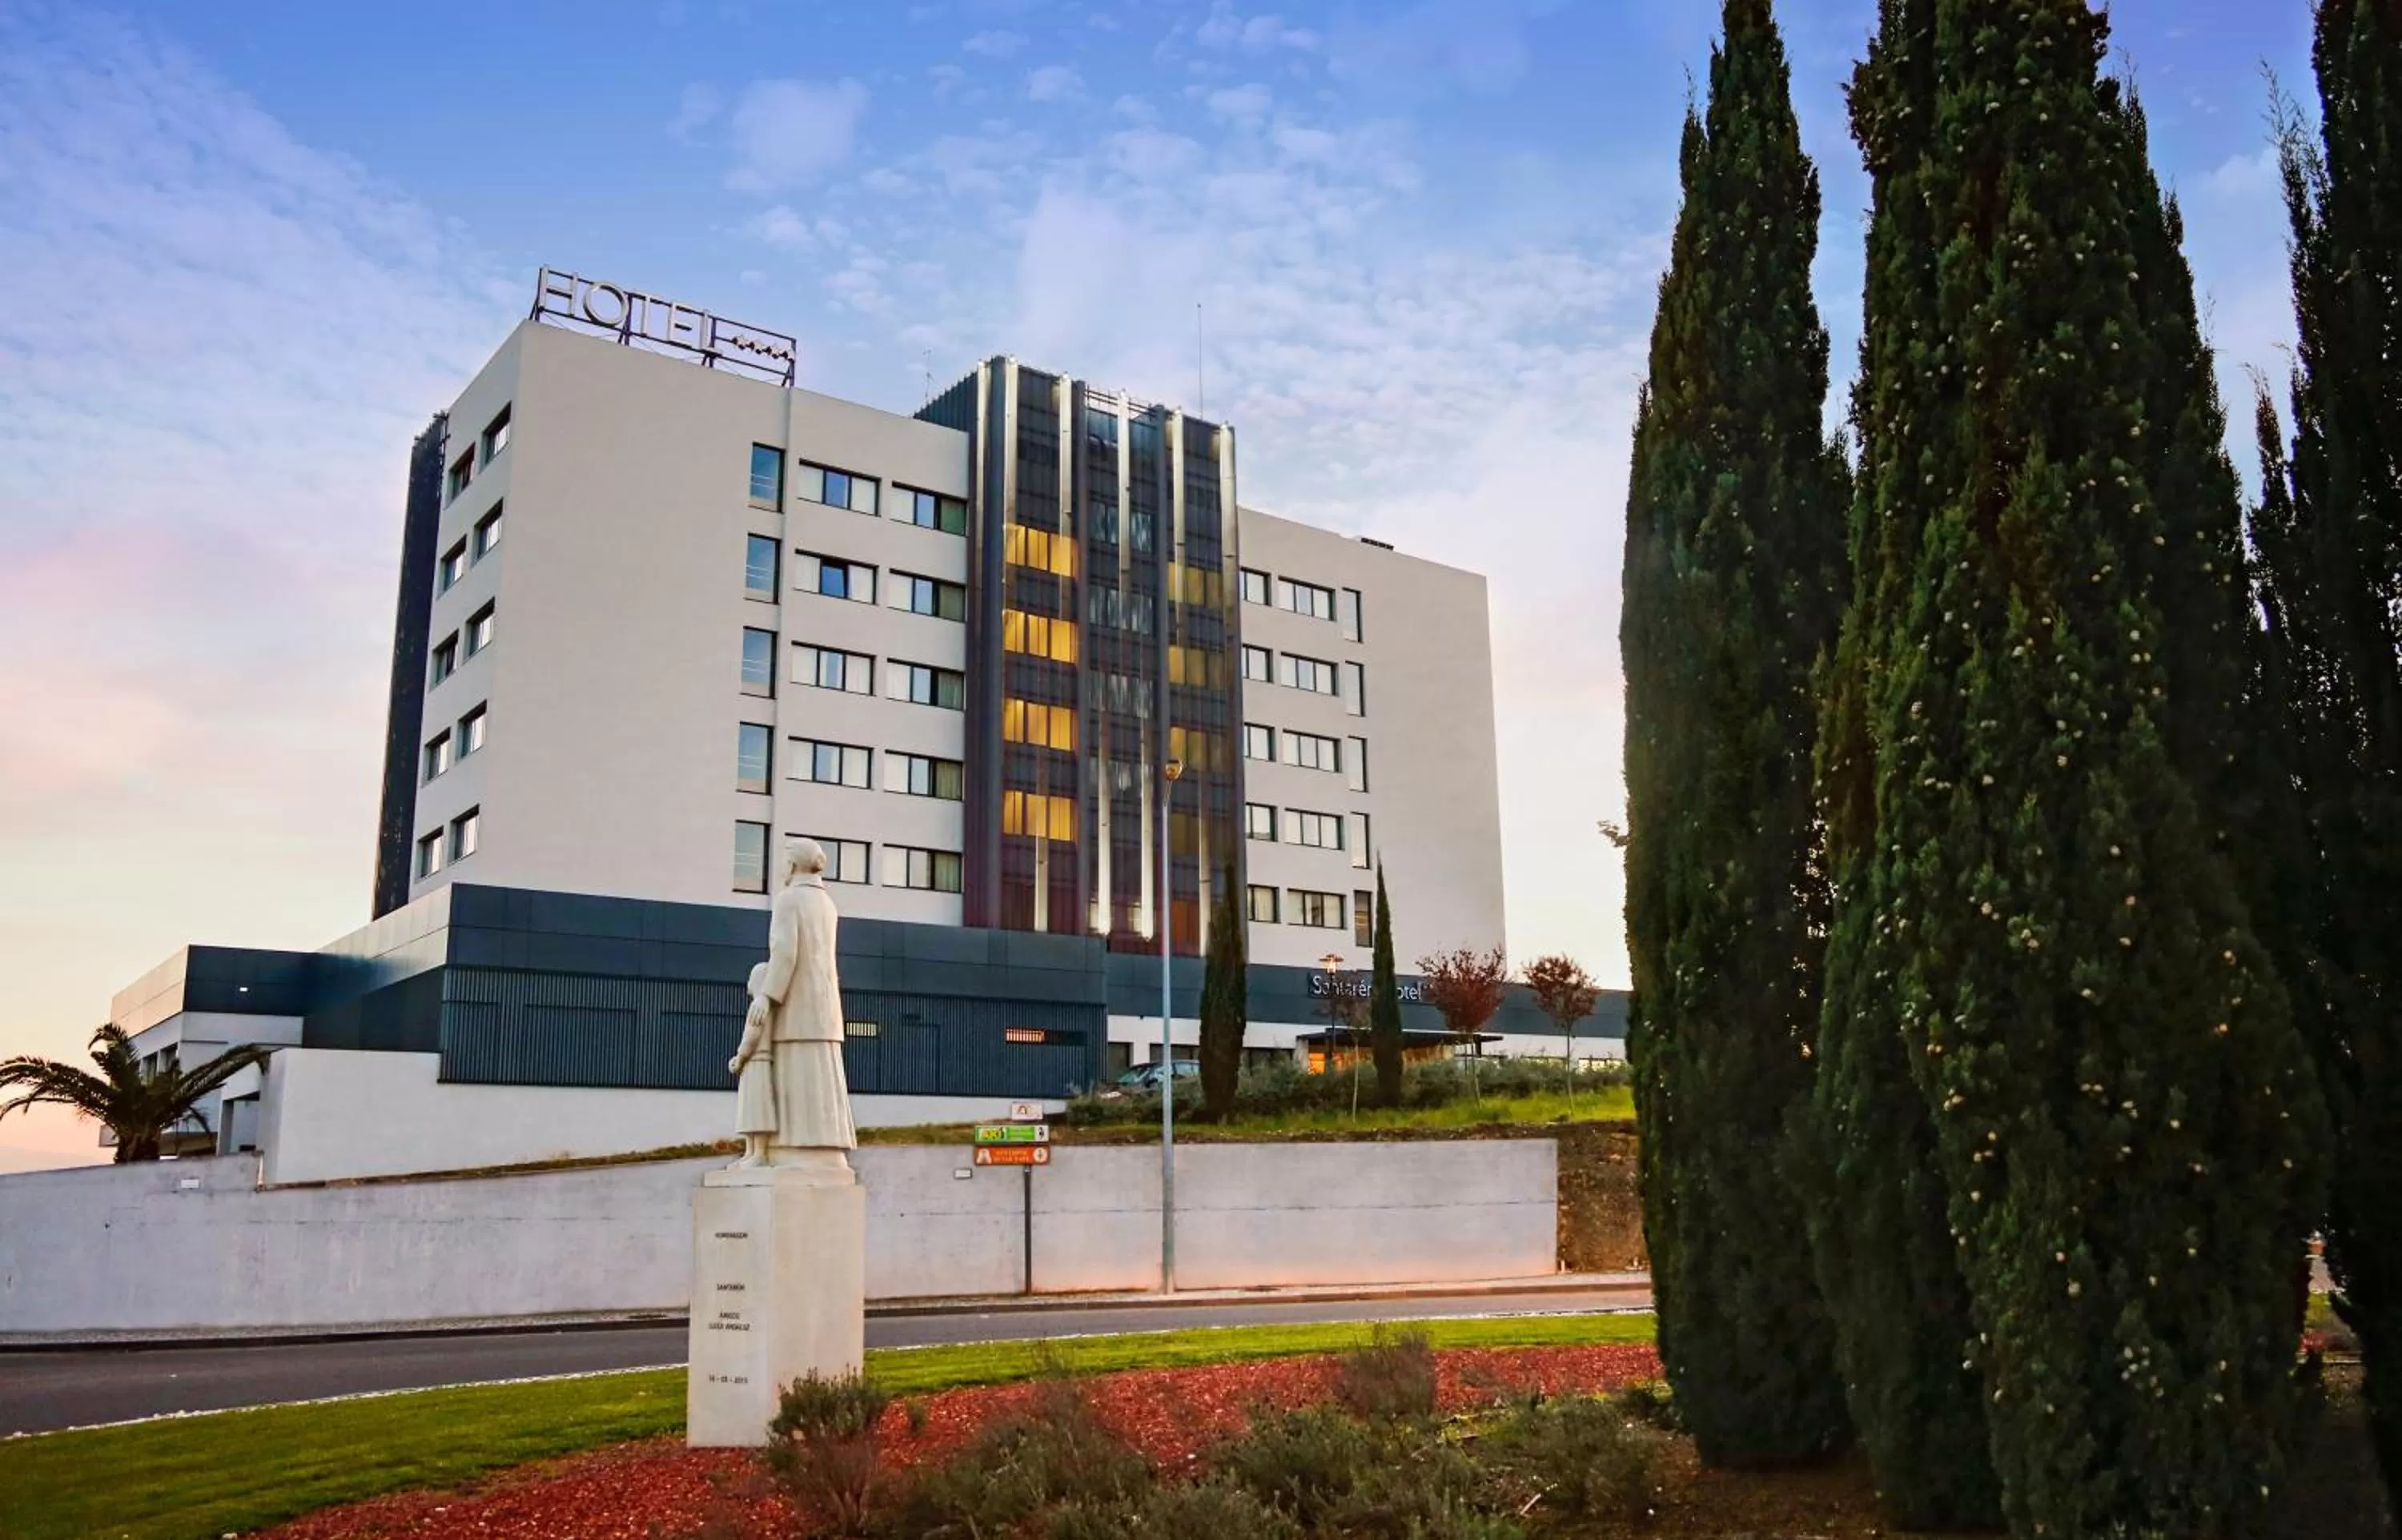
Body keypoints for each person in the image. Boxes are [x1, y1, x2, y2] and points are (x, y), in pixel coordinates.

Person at [728, 961, 777, 1168]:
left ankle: (759, 1154)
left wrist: (740, 1056)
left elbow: (752, 1034)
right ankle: (750, 1152)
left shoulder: (758, 1006)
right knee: (749, 1109)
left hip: (758, 1062)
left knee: (757, 1108)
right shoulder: (763, 1006)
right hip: (752, 1064)